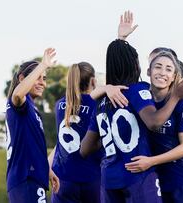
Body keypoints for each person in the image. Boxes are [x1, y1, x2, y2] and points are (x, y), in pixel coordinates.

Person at [80, 11, 183, 203]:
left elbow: (84, 149)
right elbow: (154, 122)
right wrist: (175, 96)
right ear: (135, 65)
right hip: (137, 175)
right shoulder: (137, 90)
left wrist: (120, 40)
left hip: (109, 179)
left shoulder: (102, 101)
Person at [125, 51, 183, 203]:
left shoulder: (182, 103)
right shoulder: (143, 100)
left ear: (173, 77)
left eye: (168, 69)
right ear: (149, 71)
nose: (162, 73)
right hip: (158, 181)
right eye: (158, 67)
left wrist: (151, 161)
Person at [48, 62, 128, 203]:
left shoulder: (59, 105)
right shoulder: (97, 104)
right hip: (90, 177)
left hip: (63, 178)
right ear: (93, 81)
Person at [5, 48, 57, 203]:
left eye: (45, 78)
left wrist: (47, 170)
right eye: (38, 77)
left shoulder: (31, 108)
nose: (42, 82)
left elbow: (30, 146)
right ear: (22, 78)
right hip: (26, 179)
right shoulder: (20, 101)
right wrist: (43, 64)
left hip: (30, 178)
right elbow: (17, 94)